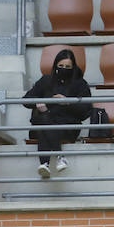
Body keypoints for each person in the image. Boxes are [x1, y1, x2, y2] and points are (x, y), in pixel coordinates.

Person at [23, 48, 91, 179]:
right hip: (45, 121)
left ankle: (44, 163)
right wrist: (41, 103)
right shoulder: (46, 81)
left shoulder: (80, 84)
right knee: (44, 120)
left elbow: (85, 111)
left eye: (67, 66)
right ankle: (60, 157)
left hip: (67, 127)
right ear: (55, 65)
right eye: (61, 66)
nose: (64, 69)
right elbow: (26, 101)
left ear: (73, 67)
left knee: (44, 125)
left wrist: (67, 102)